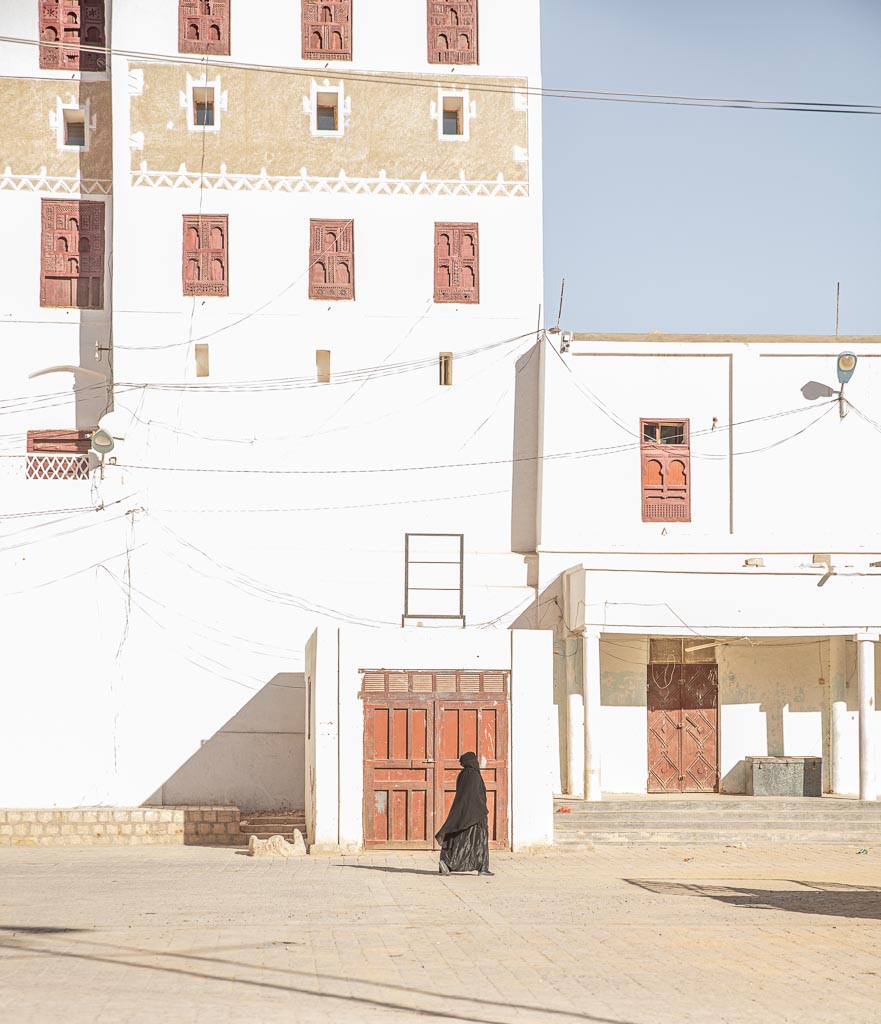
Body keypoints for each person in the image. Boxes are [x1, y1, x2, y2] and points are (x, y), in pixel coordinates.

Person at [435, 751, 493, 876]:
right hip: (476, 815)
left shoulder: (463, 774)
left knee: (457, 839)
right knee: (479, 842)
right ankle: (482, 868)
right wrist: (481, 811)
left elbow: (465, 796)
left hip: (463, 814)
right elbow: (476, 796)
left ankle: (447, 863)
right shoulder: (474, 775)